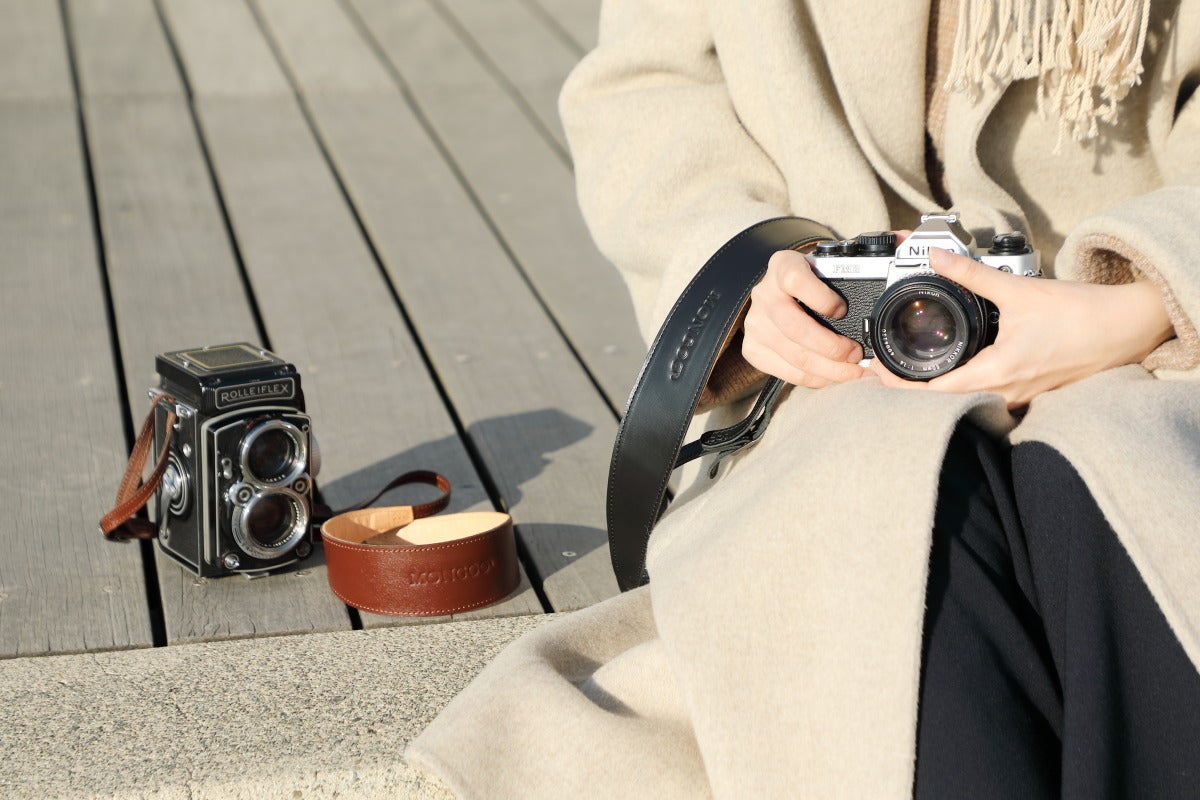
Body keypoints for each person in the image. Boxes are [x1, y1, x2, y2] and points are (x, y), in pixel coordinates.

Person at [407, 0, 1200, 796]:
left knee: (1116, 489)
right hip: (828, 352)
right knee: (896, 511)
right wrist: (747, 272)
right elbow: (648, 86)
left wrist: (1144, 297)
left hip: (1136, 333)